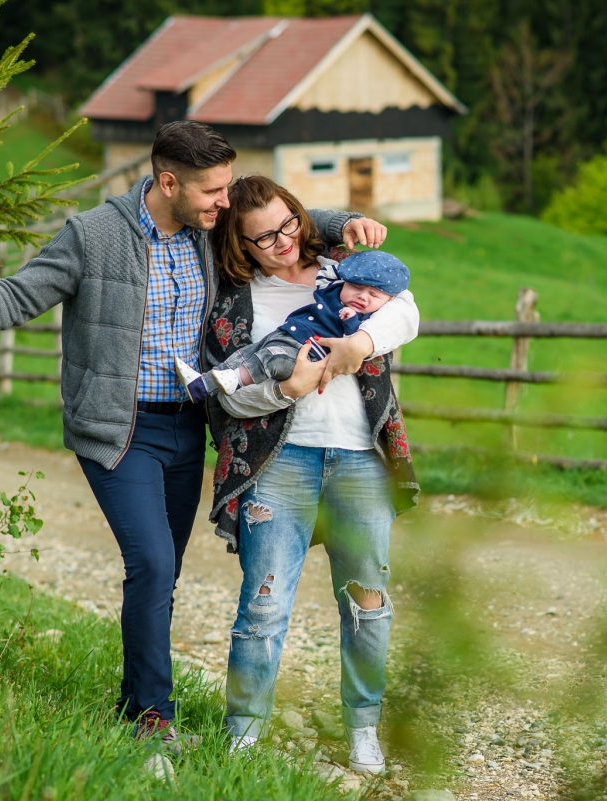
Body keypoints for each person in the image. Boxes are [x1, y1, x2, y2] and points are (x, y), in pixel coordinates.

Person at [0, 121, 387, 758]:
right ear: (167, 182)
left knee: (160, 577)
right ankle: (153, 718)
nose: (224, 201)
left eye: (227, 189)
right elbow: (18, 295)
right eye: (212, 190)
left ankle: (135, 698)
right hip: (120, 429)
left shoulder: (214, 226)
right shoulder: (93, 236)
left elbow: (286, 224)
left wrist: (349, 224)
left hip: (190, 426)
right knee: (152, 563)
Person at [202, 175, 419, 775]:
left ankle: (364, 729)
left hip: (360, 458)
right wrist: (286, 389)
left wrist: (362, 343)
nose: (282, 242)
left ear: (300, 215)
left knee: (367, 603)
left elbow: (408, 309)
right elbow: (226, 396)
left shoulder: (345, 267)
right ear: (241, 246)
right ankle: (242, 734)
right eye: (263, 237)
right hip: (279, 462)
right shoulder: (232, 300)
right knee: (264, 605)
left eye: (288, 225)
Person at [174, 249, 410, 402]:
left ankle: (235, 379)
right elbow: (328, 272)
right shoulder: (333, 291)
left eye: (374, 295)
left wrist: (350, 319)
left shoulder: (370, 320)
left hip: (304, 353)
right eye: (357, 287)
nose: (363, 297)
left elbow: (350, 343)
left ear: (387, 301)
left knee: (269, 359)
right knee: (246, 353)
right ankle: (200, 386)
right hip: (288, 333)